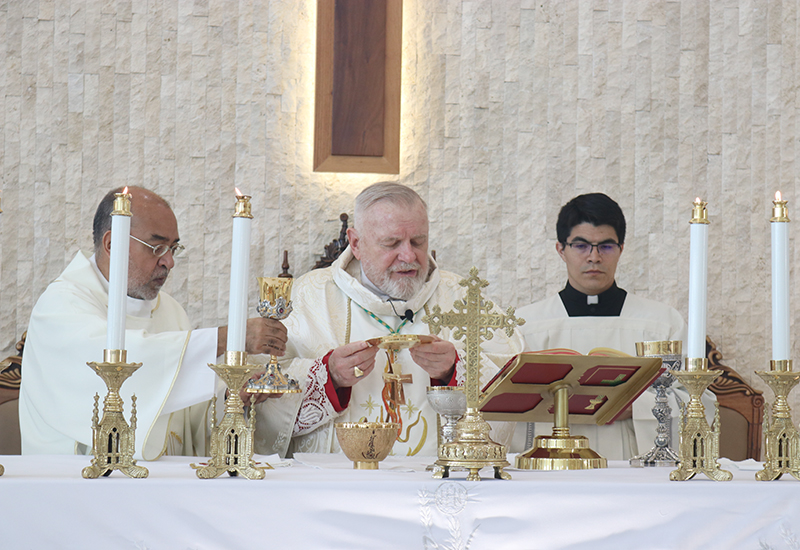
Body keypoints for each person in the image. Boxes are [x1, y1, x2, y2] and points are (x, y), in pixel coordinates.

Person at [252, 182, 524, 458]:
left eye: (418, 242)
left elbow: (515, 379)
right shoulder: (307, 297)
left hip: (438, 483)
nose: (409, 256)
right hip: (337, 485)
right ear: (356, 243)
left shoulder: (465, 298)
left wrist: (455, 370)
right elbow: (258, 394)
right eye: (392, 243)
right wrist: (328, 377)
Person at [19, 186, 287, 459]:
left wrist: (232, 397)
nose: (169, 262)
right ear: (113, 244)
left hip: (162, 483)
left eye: (173, 248)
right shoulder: (60, 305)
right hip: (77, 484)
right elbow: (114, 371)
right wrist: (227, 338)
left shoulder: (171, 311)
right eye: (157, 247)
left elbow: (184, 418)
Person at [515, 193, 710, 460]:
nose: (594, 257)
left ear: (621, 249)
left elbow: (699, 401)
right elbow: (505, 407)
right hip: (552, 469)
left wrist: (633, 406)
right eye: (581, 246)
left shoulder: (662, 323)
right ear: (561, 250)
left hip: (637, 473)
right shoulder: (525, 326)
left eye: (606, 246)